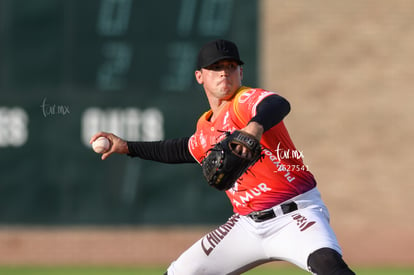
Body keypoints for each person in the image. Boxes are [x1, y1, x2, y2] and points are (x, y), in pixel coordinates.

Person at [90, 39, 355, 275]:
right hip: (246, 224)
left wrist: (255, 126)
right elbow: (181, 149)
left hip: (295, 214)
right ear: (199, 76)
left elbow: (278, 103)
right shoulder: (204, 127)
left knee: (329, 267)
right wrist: (127, 146)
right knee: (182, 271)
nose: (224, 72)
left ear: (241, 72)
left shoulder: (244, 101)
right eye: (216, 68)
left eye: (230, 66)